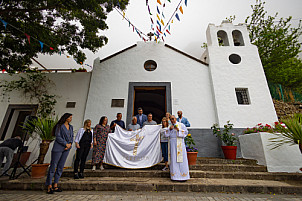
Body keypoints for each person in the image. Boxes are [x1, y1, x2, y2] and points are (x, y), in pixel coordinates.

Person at [45, 113, 73, 194]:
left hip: (66, 149)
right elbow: (58, 136)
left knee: (60, 167)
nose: (71, 119)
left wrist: (69, 144)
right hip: (58, 148)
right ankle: (49, 185)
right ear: (66, 118)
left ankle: (55, 184)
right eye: (70, 117)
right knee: (53, 166)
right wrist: (65, 144)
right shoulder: (59, 126)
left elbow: (71, 137)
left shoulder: (71, 127)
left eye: (71, 118)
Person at [165, 115, 190, 181]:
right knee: (174, 159)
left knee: (182, 159)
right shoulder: (170, 126)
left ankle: (183, 176)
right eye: (171, 119)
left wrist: (179, 130)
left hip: (180, 144)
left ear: (175, 118)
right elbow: (166, 134)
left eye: (173, 119)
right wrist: (169, 129)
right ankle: (175, 176)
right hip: (173, 144)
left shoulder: (181, 125)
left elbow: (186, 132)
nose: (172, 120)